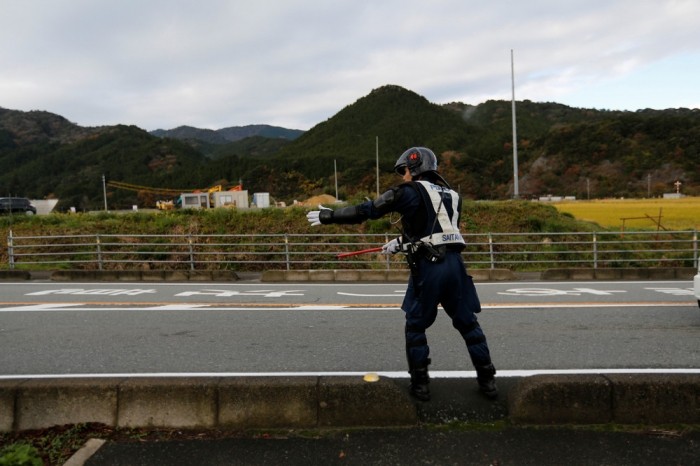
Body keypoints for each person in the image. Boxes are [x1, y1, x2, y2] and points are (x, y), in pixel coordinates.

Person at [307, 147, 497, 400]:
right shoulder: (453, 195)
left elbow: (369, 210)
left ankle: (420, 387)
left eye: (403, 170)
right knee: (469, 325)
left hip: (430, 269)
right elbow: (436, 228)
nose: (402, 176)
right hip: (456, 266)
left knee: (416, 326)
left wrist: (329, 216)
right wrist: (401, 241)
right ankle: (488, 383)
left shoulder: (410, 191)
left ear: (414, 167)